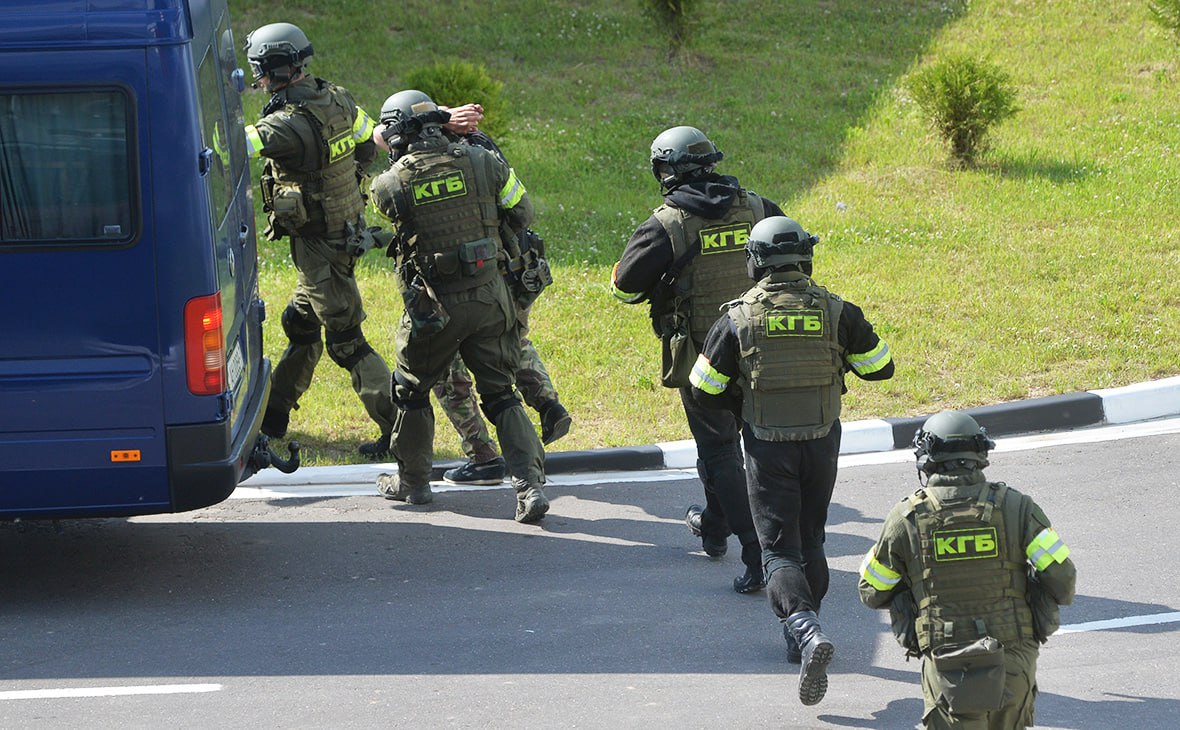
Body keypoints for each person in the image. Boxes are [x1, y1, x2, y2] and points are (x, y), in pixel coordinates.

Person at [689, 215, 895, 705]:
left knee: (778, 551)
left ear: (754, 263)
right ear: (805, 256)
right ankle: (804, 629)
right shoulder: (838, 311)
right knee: (812, 537)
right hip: (822, 443)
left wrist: (743, 405)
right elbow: (880, 367)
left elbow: (701, 389)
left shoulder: (736, 319)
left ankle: (804, 630)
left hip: (766, 446)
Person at [611, 126, 785, 594]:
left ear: (664, 171)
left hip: (703, 354)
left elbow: (624, 287)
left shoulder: (665, 224)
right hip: (766, 346)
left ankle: (754, 553)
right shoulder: (759, 208)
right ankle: (714, 525)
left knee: (720, 451)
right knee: (759, 445)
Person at [367, 90, 548, 522]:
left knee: (411, 391)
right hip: (490, 299)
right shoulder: (484, 162)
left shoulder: (390, 185)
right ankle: (528, 488)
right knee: (502, 394)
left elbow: (386, 165)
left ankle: (413, 483)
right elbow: (522, 212)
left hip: (434, 312)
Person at [858, 410, 1076, 729]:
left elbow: (871, 591)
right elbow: (1063, 581)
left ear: (926, 460)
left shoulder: (906, 519)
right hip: (1013, 660)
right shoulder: (1017, 507)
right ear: (980, 454)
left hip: (949, 670)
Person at [243, 22, 395, 454]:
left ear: (270, 70)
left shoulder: (284, 127)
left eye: (258, 70)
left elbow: (231, 146)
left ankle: (401, 432)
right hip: (340, 235)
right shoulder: (339, 98)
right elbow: (369, 143)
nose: (256, 79)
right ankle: (273, 418)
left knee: (346, 342)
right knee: (301, 325)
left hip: (319, 246)